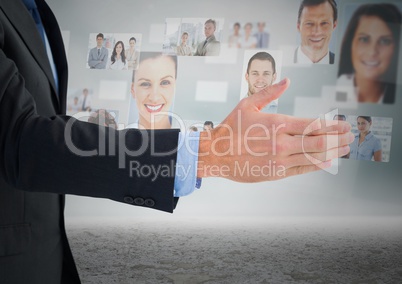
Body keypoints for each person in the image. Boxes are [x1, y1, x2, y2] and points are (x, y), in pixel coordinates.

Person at [0, 0, 353, 283]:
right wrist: (209, 151)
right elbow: (20, 141)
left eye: (167, 82)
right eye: (145, 83)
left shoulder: (39, 11)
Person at [337, 3, 401, 104]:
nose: (372, 52)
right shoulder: (334, 89)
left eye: (385, 41)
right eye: (364, 39)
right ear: (350, 44)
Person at [130, 52, 177, 129]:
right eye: (145, 84)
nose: (154, 98)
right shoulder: (117, 138)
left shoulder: (190, 137)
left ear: (175, 85)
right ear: (133, 89)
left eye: (165, 82)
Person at [294, 0, 337, 64]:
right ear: (298, 26)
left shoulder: (344, 65)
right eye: (309, 23)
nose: (316, 32)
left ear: (334, 25)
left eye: (324, 23)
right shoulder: (282, 60)